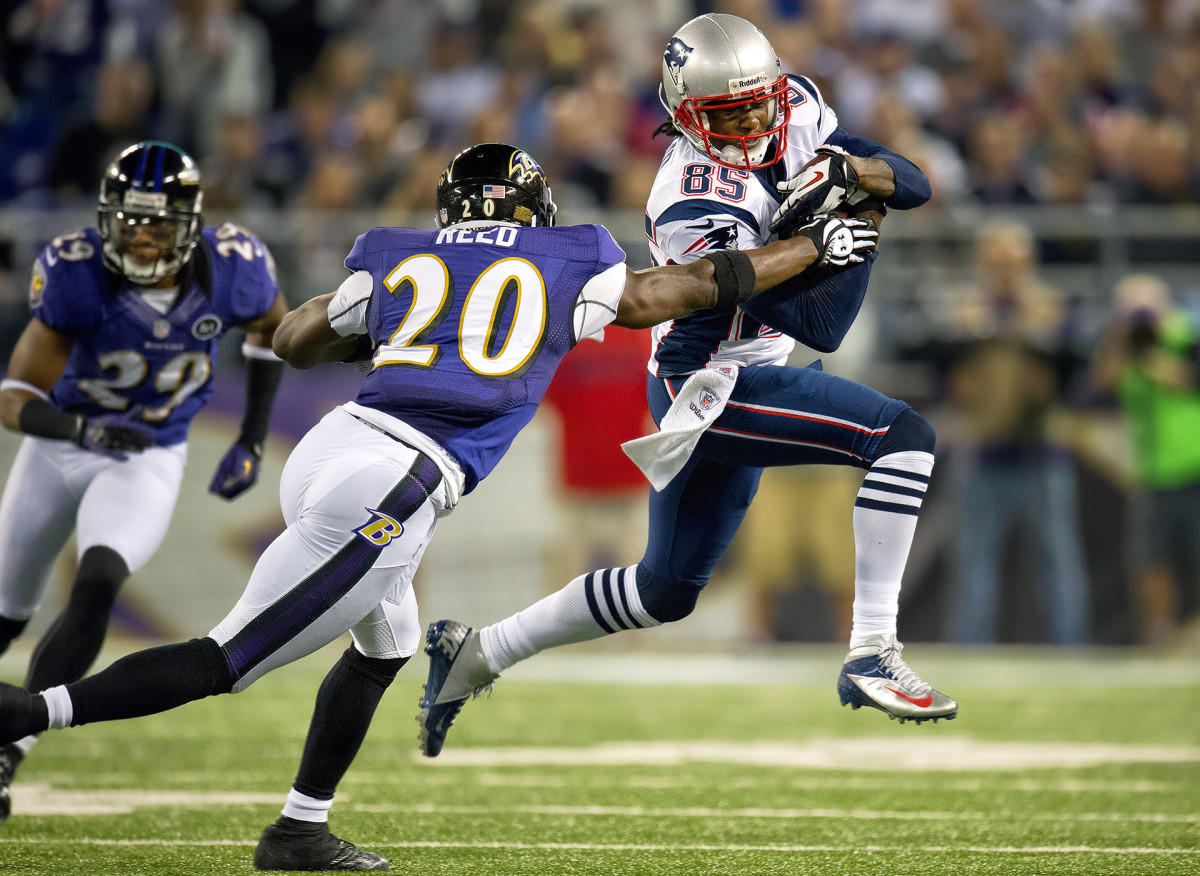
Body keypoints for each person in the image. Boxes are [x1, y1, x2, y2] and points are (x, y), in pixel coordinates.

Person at [0, 142, 877, 871]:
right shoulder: (569, 252)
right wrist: (810, 250)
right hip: (400, 479)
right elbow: (672, 293)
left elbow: (298, 342)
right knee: (229, 658)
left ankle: (300, 828)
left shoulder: (396, 252)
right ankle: (26, 714)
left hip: (339, 446)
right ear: (536, 209)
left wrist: (369, 323)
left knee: (389, 641)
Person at [417, 13, 956, 761]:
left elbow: (914, 182)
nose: (755, 121)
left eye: (761, 102)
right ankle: (872, 648)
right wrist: (843, 231)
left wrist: (855, 176)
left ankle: (479, 652)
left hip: (750, 367)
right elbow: (822, 322)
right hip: (707, 383)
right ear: (685, 117)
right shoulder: (691, 199)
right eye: (728, 114)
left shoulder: (795, 103)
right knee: (904, 438)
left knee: (662, 590)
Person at [0, 140, 287, 822]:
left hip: (147, 454)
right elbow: (13, 394)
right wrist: (79, 432)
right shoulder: (77, 275)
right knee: (5, 614)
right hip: (62, 447)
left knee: (99, 579)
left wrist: (250, 437)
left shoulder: (234, 268)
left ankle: (8, 749)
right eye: (128, 219)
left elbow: (270, 332)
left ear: (190, 221)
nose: (140, 233)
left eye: (156, 221)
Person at [942, 221, 1090, 645]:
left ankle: (1071, 650)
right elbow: (944, 373)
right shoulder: (965, 310)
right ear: (982, 264)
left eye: (1014, 262)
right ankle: (970, 653)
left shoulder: (1051, 309)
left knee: (1058, 563)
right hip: (983, 450)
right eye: (996, 262)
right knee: (973, 564)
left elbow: (1076, 376)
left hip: (1042, 450)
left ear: (1030, 264)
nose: (1005, 271)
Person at [1090, 273, 1200, 646]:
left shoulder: (1185, 336)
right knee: (1151, 559)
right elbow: (1102, 384)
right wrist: (1121, 341)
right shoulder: (1124, 351)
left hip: (1193, 465)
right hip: (1152, 472)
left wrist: (1155, 349)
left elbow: (1187, 378)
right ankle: (1161, 632)